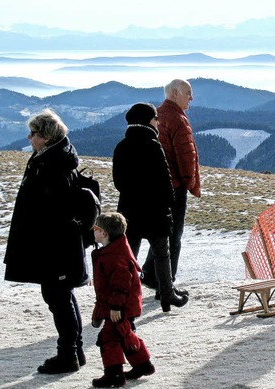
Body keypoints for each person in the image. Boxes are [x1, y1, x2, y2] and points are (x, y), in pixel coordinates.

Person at [4, 108, 89, 374]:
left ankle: (68, 355)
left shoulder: (53, 165)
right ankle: (75, 350)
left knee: (58, 297)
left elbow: (55, 211)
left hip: (55, 246)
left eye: (33, 133)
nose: (29, 138)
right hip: (54, 244)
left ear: (46, 136)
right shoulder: (49, 158)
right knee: (61, 295)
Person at [112, 102, 188, 312]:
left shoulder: (121, 146)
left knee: (129, 256)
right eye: (155, 119)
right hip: (155, 211)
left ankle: (124, 296)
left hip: (129, 210)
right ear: (148, 121)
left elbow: (118, 183)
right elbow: (165, 181)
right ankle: (166, 294)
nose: (158, 122)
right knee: (162, 254)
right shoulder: (154, 146)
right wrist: (169, 206)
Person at [141, 79, 199, 299]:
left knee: (160, 233)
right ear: (175, 93)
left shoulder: (156, 115)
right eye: (188, 93)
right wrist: (188, 181)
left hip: (153, 186)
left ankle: (149, 274)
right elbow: (186, 155)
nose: (191, 98)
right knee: (173, 236)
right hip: (174, 185)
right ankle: (166, 284)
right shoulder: (177, 119)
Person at [90, 212, 155, 387]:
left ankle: (114, 375)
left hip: (120, 307)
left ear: (104, 233)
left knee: (109, 338)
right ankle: (143, 365)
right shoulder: (111, 251)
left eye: (95, 228)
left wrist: (116, 307)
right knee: (125, 334)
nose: (93, 231)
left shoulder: (116, 256)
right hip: (118, 305)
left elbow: (121, 284)